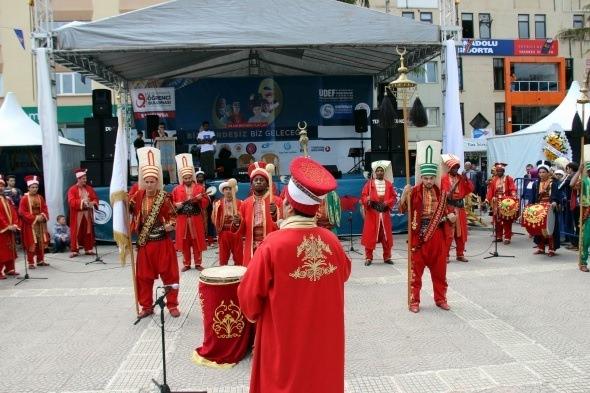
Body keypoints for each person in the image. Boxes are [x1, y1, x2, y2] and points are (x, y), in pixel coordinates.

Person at [237, 156, 351, 393]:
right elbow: (345, 272)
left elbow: (249, 300)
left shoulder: (272, 245)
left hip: (284, 344)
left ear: (287, 205)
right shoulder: (332, 242)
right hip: (325, 345)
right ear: (314, 208)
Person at [399, 142, 454, 313]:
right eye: (425, 178)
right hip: (418, 235)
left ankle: (441, 299)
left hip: (437, 236)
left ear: (434, 177)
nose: (429, 181)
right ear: (421, 177)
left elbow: (449, 214)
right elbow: (401, 210)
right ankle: (414, 301)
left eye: (431, 178)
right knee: (416, 272)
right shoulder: (413, 191)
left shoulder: (441, 193)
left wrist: (451, 217)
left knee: (439, 272)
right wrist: (403, 195)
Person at [130, 147, 180, 318]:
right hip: (145, 244)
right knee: (143, 277)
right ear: (143, 181)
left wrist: (171, 225)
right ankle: (146, 306)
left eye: (152, 181)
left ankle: (172, 304)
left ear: (157, 181)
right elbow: (128, 209)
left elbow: (174, 216)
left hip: (162, 242)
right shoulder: (137, 197)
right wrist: (120, 199)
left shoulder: (164, 197)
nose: (150, 184)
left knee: (170, 274)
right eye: (147, 181)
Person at [232, 161, 282, 265]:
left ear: (267, 183)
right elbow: (242, 229)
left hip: (271, 243)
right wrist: (237, 222)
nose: (258, 182)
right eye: (256, 180)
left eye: (262, 180)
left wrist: (275, 213)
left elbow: (284, 224)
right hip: (251, 245)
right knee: (253, 273)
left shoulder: (277, 201)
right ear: (251, 184)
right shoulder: (245, 203)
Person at [171, 154, 208, 272]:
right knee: (184, 242)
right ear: (182, 178)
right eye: (185, 178)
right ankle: (186, 264)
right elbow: (171, 204)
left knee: (197, 241)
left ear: (192, 177)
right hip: (183, 219)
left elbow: (206, 202)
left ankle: (198, 263)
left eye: (188, 178)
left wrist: (200, 199)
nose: (187, 180)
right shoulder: (176, 189)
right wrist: (176, 205)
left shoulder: (199, 188)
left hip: (196, 218)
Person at [360, 160, 397, 266]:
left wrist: (386, 203)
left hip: (384, 215)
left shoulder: (389, 184)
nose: (380, 172)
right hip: (373, 214)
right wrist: (367, 200)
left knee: (386, 237)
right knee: (370, 235)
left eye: (381, 170)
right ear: (375, 172)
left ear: (384, 172)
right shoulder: (369, 184)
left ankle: (387, 257)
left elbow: (393, 197)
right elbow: (363, 196)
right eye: (378, 171)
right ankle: (368, 257)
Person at [441, 155, 474, 262]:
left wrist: (466, 179)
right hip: (449, 208)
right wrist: (453, 187)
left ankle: (460, 254)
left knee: (461, 233)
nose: (455, 170)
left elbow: (470, 189)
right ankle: (445, 255)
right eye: (454, 168)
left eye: (457, 168)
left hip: (460, 208)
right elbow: (445, 195)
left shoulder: (461, 178)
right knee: (449, 233)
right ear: (449, 168)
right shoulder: (444, 179)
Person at [19, 175, 50, 269]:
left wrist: (43, 216)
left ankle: (41, 260)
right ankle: (31, 262)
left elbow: (45, 208)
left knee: (40, 242)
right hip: (30, 224)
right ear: (28, 188)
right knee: (31, 243)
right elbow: (22, 212)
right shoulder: (24, 198)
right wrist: (35, 218)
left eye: (36, 187)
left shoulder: (40, 197)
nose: (35, 189)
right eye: (32, 187)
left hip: (40, 223)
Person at [67, 168, 98, 257]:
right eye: (83, 179)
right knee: (76, 231)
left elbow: (95, 198)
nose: (85, 180)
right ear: (79, 179)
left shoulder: (89, 188)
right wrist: (82, 202)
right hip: (77, 214)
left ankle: (88, 249)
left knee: (88, 231)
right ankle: (74, 250)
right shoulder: (72, 189)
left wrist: (93, 203)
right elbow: (71, 201)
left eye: (85, 178)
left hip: (87, 213)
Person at [531, 160, 560, 256]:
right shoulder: (536, 184)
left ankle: (551, 249)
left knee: (550, 228)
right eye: (540, 172)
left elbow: (556, 195)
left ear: (548, 173)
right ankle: (541, 248)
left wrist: (555, 201)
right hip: (539, 208)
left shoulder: (553, 183)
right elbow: (533, 197)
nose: (541, 174)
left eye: (544, 172)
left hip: (550, 208)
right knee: (540, 229)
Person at [212, 179, 243, 265]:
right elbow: (214, 218)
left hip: (236, 233)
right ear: (223, 191)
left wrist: (239, 219)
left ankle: (239, 273)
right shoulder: (218, 203)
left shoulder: (240, 203)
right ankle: (223, 274)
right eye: (226, 189)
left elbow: (244, 218)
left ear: (234, 190)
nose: (228, 191)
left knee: (238, 255)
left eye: (230, 189)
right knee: (223, 255)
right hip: (224, 232)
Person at [486, 163, 517, 244]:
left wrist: (513, 195)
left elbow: (512, 188)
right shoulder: (494, 180)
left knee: (507, 220)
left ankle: (507, 237)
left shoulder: (508, 178)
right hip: (496, 202)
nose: (499, 172)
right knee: (497, 220)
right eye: (498, 171)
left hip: (506, 202)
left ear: (503, 171)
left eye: (501, 171)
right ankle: (499, 236)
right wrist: (487, 199)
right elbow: (490, 191)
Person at [570, 162, 590, 272]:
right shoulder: (584, 181)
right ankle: (583, 262)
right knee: (586, 240)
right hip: (587, 214)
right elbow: (572, 184)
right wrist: (578, 171)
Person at [0, 175, 20, 279]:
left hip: (10, 228)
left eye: (2, 185)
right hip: (2, 230)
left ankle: (10, 268)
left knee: (10, 249)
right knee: (2, 250)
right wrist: (7, 226)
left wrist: (15, 224)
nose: (1, 187)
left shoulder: (7, 199)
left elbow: (14, 212)